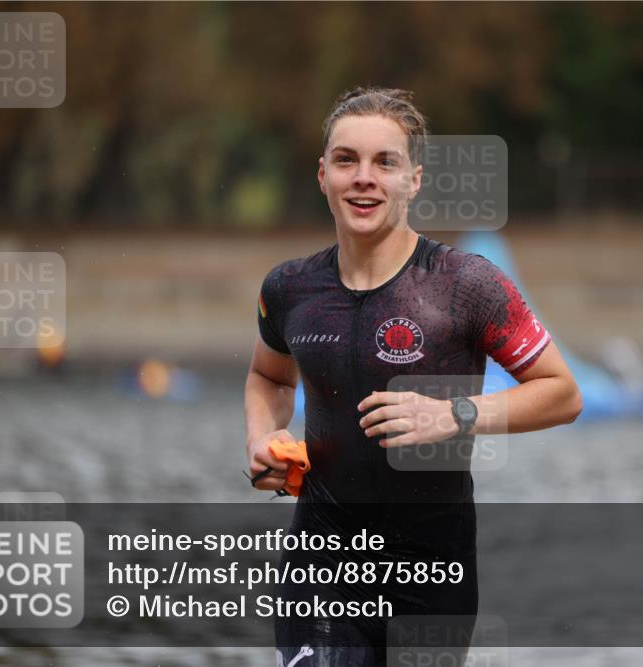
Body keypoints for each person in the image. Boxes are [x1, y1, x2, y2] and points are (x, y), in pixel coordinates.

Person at [244, 86, 582, 667]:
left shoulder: (466, 285)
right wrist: (261, 440)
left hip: (431, 574)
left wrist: (455, 414)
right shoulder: (289, 289)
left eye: (385, 162)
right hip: (319, 565)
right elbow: (268, 378)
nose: (364, 178)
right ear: (322, 175)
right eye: (347, 160)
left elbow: (563, 394)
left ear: (413, 180)